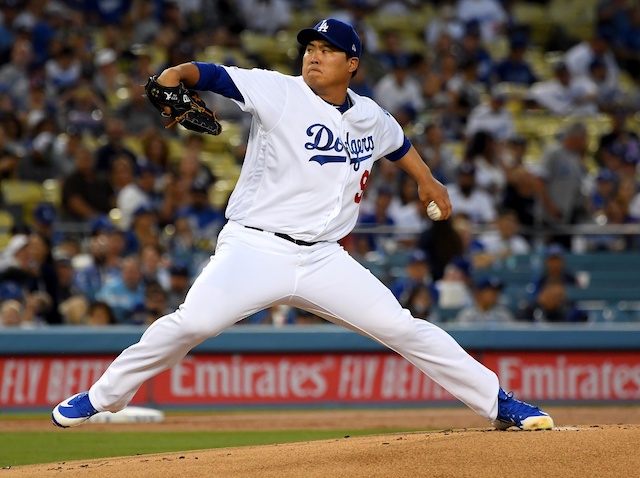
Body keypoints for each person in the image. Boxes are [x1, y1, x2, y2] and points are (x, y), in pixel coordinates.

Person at [52, 18, 552, 432]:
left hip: (324, 258)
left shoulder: (370, 116)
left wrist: (428, 180)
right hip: (256, 247)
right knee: (192, 323)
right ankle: (102, 398)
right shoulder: (279, 91)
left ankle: (500, 404)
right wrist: (171, 77)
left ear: (351, 64)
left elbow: (397, 142)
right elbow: (204, 74)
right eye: (310, 47)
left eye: (327, 50)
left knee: (404, 327)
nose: (313, 56)